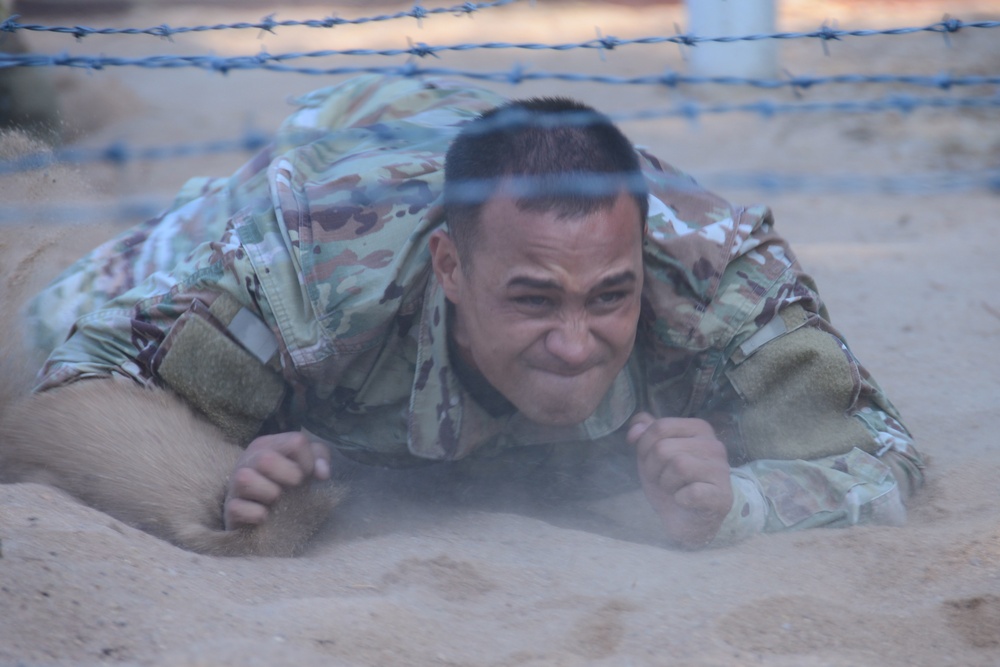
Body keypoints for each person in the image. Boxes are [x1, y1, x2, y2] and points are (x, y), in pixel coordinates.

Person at [2, 74, 923, 554]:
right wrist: (223, 485)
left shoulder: (717, 279)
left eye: (610, 295)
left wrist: (745, 504)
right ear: (449, 266)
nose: (574, 342)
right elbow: (72, 388)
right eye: (533, 298)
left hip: (479, 169)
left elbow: (883, 454)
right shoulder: (302, 266)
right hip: (344, 153)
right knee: (40, 313)